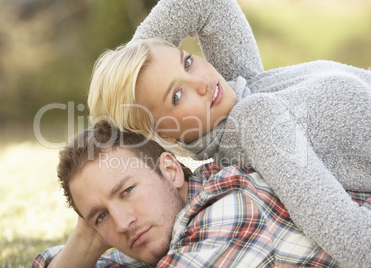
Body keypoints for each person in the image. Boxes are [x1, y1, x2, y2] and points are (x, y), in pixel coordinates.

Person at [86, 0, 371, 267]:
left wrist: (133, 59)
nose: (201, 82)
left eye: (187, 62)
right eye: (176, 96)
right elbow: (358, 246)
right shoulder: (255, 124)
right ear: (164, 137)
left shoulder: (240, 87)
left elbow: (205, 3)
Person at [32, 121, 371, 267]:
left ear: (170, 169)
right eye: (101, 216)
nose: (121, 223)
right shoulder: (168, 229)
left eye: (127, 191)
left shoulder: (230, 206)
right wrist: (87, 239)